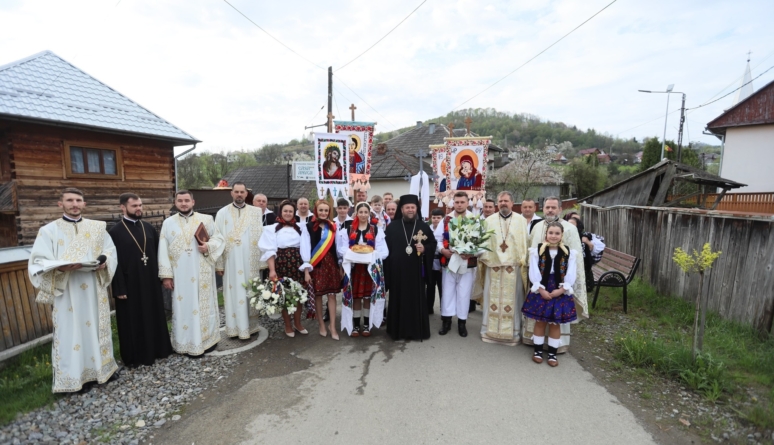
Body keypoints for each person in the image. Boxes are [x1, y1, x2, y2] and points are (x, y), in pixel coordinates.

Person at [28, 188, 118, 393]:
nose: (74, 204)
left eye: (78, 200)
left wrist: (104, 261)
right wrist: (59, 267)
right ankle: (75, 379)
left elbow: (109, 250)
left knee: (97, 327)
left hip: (93, 287)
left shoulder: (97, 228)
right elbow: (38, 261)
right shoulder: (48, 231)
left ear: (84, 204)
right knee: (71, 332)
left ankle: (102, 371)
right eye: (69, 200)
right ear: (61, 204)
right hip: (67, 291)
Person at [109, 193, 173, 367]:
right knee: (133, 319)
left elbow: (159, 253)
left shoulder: (148, 227)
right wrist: (119, 287)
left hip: (150, 281)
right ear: (123, 207)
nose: (139, 209)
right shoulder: (115, 232)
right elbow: (112, 262)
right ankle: (136, 357)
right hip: (130, 285)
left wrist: (163, 275)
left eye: (140, 205)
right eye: (134, 206)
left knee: (153, 314)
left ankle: (159, 350)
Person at [159, 190, 225, 356]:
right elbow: (163, 250)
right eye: (180, 201)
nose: (183, 203)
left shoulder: (206, 219)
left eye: (186, 200)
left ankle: (207, 341)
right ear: (175, 203)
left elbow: (219, 239)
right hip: (180, 273)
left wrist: (208, 246)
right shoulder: (168, 223)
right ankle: (185, 343)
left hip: (202, 269)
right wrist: (166, 275)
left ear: (193, 202)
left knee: (205, 305)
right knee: (183, 307)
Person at [526, 197, 588, 353]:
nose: (550, 210)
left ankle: (555, 347)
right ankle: (536, 346)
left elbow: (576, 260)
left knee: (556, 320)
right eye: (547, 207)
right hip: (540, 282)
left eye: (553, 207)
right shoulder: (537, 226)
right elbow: (530, 255)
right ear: (543, 208)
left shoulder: (570, 229)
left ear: (560, 209)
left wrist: (567, 285)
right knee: (539, 316)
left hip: (560, 282)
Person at [522, 222, 578, 367]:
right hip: (542, 287)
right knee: (540, 322)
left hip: (559, 289)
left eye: (557, 233)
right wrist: (540, 289)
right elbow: (533, 271)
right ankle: (538, 351)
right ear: (546, 234)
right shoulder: (537, 250)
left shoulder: (568, 252)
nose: (553, 236)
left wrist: (562, 289)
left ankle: (552, 353)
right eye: (551, 233)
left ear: (562, 235)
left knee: (554, 323)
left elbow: (571, 273)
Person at [215, 182, 264, 340]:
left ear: (246, 193)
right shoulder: (222, 213)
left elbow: (261, 236)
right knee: (234, 292)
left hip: (250, 260)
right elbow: (217, 238)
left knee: (250, 291)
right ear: (231, 193)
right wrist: (219, 264)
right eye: (236, 192)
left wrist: (261, 262)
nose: (239, 194)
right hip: (231, 261)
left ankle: (251, 326)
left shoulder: (256, 212)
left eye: (242, 192)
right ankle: (235, 327)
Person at [384, 195, 436, 341]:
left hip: (415, 272)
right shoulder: (392, 227)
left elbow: (433, 244)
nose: (410, 210)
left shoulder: (423, 226)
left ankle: (417, 331)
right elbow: (385, 250)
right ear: (402, 209)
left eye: (413, 207)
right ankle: (397, 331)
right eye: (407, 207)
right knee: (397, 299)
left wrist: (424, 248)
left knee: (416, 300)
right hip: (397, 272)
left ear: (416, 209)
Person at [479, 191, 528, 346]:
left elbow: (523, 244)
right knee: (490, 300)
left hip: (513, 268)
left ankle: (512, 334)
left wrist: (522, 261)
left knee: (513, 300)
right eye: (500, 201)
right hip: (493, 267)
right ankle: (489, 332)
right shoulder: (489, 220)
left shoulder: (521, 220)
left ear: (512, 203)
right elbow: (484, 242)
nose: (503, 204)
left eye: (506, 201)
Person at [337, 201, 388, 337]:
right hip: (354, 268)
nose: (363, 215)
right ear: (356, 214)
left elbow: (383, 251)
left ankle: (366, 325)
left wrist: (372, 254)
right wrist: (352, 253)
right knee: (355, 297)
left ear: (369, 214)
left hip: (369, 269)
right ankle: (354, 326)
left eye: (366, 212)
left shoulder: (376, 229)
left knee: (367, 297)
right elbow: (341, 248)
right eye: (361, 212)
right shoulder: (348, 229)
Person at [259, 200, 308, 337]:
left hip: (297, 264)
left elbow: (305, 247)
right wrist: (272, 270)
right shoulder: (272, 229)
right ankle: (288, 325)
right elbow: (270, 251)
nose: (288, 213)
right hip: (281, 263)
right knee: (284, 296)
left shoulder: (300, 227)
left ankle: (298, 323)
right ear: (280, 212)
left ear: (294, 213)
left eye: (290, 211)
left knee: (299, 295)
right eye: (285, 211)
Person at [437, 191, 481, 337]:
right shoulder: (446, 219)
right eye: (457, 202)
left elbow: (482, 243)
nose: (459, 205)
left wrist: (472, 253)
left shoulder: (474, 219)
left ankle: (462, 323)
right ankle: (447, 321)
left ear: (467, 203)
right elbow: (437, 239)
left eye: (462, 202)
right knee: (447, 292)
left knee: (464, 293)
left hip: (467, 262)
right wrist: (442, 250)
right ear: (453, 203)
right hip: (449, 261)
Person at [300, 200, 341, 340]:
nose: (323, 213)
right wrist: (306, 270)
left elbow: (338, 246)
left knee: (332, 295)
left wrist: (340, 265)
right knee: (318, 295)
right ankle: (321, 324)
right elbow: (305, 248)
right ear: (316, 211)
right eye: (321, 210)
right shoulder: (308, 226)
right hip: (316, 265)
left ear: (329, 212)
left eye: (326, 211)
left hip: (331, 264)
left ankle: (333, 326)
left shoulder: (333, 227)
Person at [567, 217, 605, 292]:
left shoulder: (582, 237)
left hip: (583, 269)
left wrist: (586, 239)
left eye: (572, 225)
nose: (569, 227)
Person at [427, 208, 445, 315]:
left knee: (443, 288)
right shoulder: (427, 229)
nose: (436, 220)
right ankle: (429, 308)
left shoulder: (445, 230)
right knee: (429, 287)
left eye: (439, 218)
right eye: (434, 218)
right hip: (430, 262)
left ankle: (444, 310)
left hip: (441, 263)